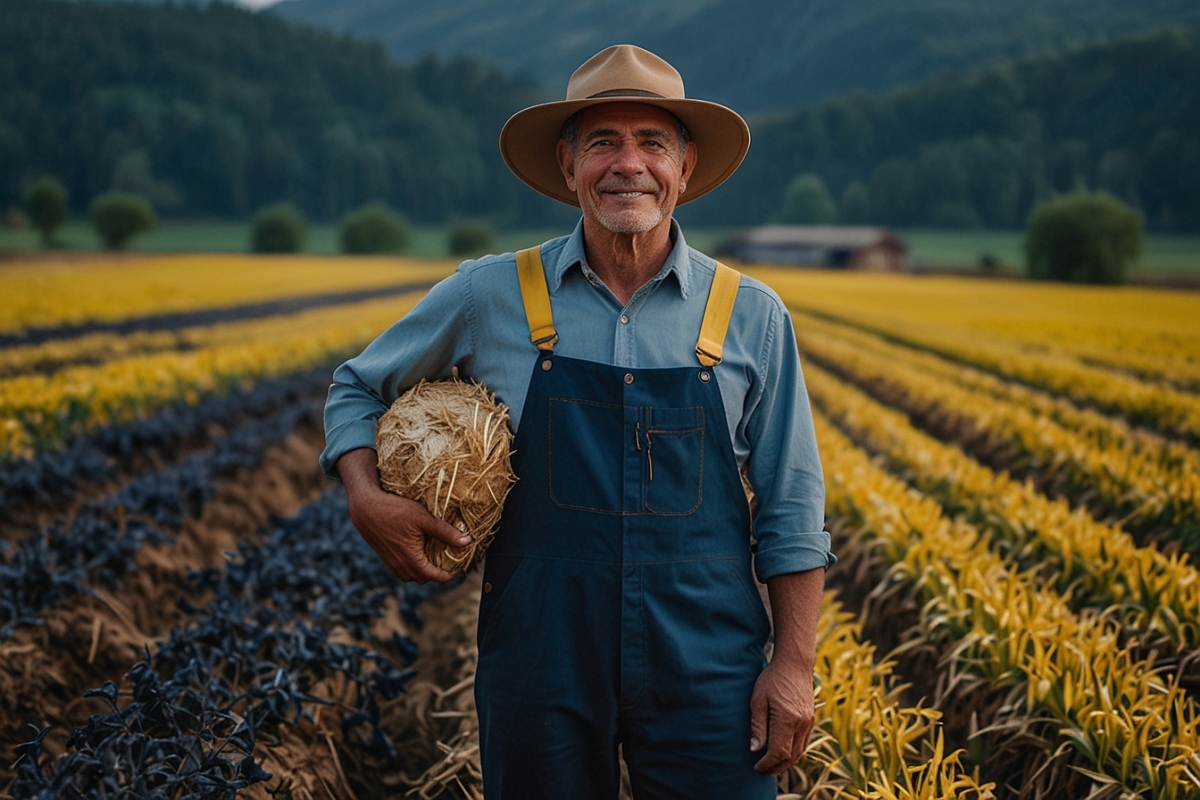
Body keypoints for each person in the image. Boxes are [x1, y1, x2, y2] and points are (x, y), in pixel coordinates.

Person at [321, 44, 833, 799]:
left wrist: (792, 666)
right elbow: (354, 387)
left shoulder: (750, 316)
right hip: (539, 660)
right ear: (568, 166)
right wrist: (366, 496)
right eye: (603, 142)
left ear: (685, 169)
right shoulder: (489, 295)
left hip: (709, 666)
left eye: (653, 142)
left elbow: (793, 506)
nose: (629, 164)